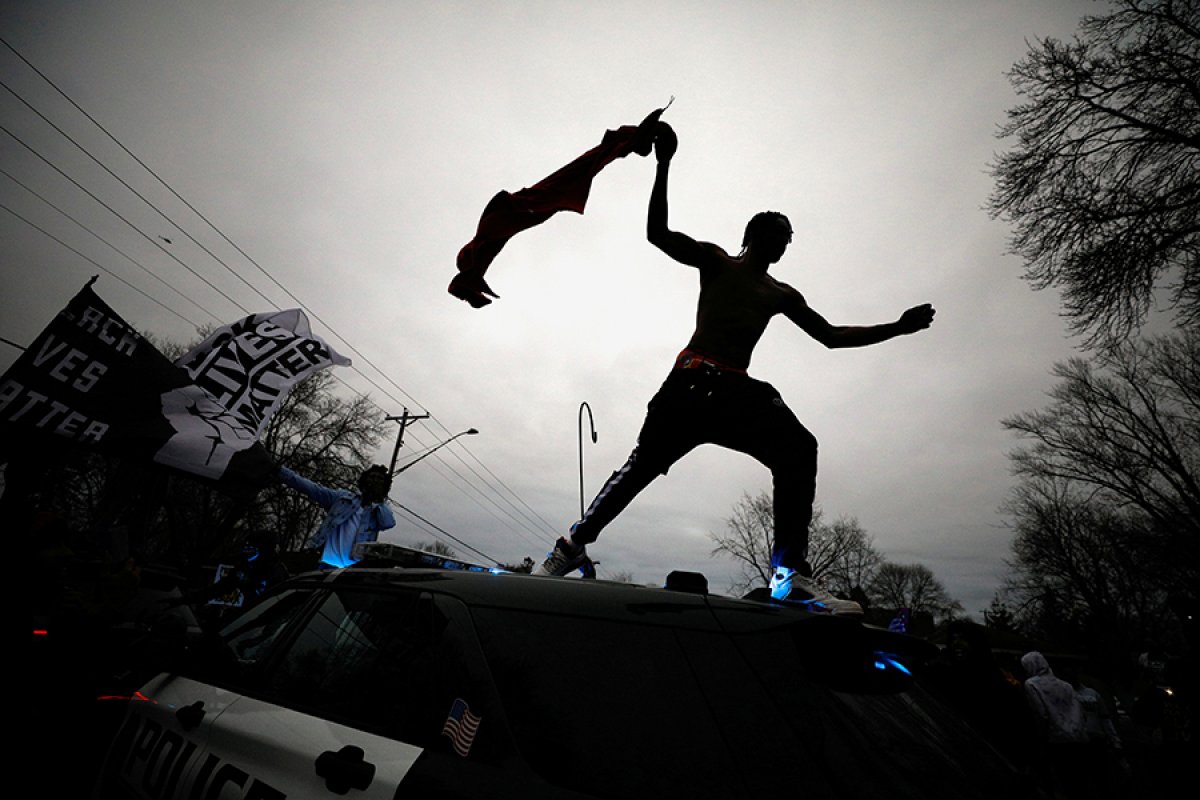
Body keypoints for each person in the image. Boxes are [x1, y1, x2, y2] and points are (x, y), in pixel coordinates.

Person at [537, 122, 935, 614]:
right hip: (690, 383)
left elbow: (831, 337)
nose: (784, 244)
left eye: (789, 239)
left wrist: (897, 327)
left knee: (798, 447)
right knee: (642, 466)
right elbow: (657, 234)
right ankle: (572, 546)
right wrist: (663, 165)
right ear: (754, 234)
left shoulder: (782, 294)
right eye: (777, 235)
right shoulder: (716, 262)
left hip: (732, 391)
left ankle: (789, 572)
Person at [279, 464, 395, 568]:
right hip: (323, 562)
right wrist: (279, 471)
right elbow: (313, 489)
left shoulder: (378, 512)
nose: (375, 481)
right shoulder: (342, 498)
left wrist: (379, 499)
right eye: (372, 477)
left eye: (380, 479)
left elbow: (388, 523)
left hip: (351, 570)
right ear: (364, 480)